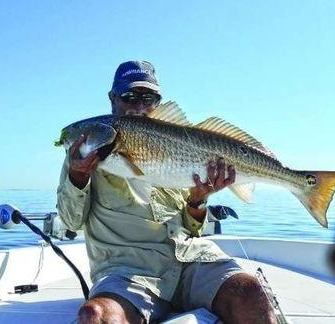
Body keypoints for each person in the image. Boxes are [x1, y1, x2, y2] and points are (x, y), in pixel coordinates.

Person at [56, 60, 277, 323]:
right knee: (95, 316)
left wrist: (199, 200)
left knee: (252, 293)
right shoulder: (82, 159)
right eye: (129, 96)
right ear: (112, 99)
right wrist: (78, 176)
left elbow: (192, 228)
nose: (139, 106)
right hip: (129, 272)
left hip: (189, 261)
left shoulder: (179, 144)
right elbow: (70, 222)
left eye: (148, 98)